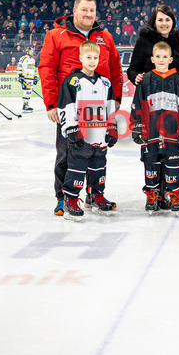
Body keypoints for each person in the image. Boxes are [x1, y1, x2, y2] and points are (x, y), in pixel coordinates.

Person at [39, 0, 124, 217]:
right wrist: (51, 104)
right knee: (68, 152)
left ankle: (94, 194)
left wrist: (115, 101)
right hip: (70, 107)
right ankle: (64, 197)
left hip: (99, 107)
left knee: (97, 152)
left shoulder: (105, 37)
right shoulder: (56, 35)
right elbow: (47, 68)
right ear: (74, 11)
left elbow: (115, 68)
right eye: (84, 10)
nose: (88, 14)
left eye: (92, 11)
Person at [57, 41, 118, 221]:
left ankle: (95, 195)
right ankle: (71, 198)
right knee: (77, 167)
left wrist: (111, 128)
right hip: (81, 134)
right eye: (88, 57)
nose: (92, 61)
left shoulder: (105, 83)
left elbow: (110, 107)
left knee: (99, 167)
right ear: (80, 58)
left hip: (99, 134)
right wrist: (71, 129)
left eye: (95, 57)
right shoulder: (73, 81)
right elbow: (66, 106)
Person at [131, 41, 179, 213]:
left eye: (165, 57)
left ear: (171, 59)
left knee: (174, 164)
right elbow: (138, 105)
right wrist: (138, 126)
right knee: (151, 163)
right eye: (158, 56)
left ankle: (173, 193)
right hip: (151, 131)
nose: (161, 60)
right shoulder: (146, 80)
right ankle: (153, 194)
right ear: (152, 59)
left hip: (173, 132)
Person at [127, 4, 179, 86]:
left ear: (173, 22)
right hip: (150, 92)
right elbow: (132, 70)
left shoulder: (177, 41)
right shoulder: (144, 40)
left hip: (174, 92)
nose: (164, 23)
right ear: (154, 23)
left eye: (167, 20)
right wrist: (136, 77)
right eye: (160, 20)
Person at [18, 46, 38, 113]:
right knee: (26, 91)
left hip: (31, 78)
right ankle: (25, 105)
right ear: (27, 52)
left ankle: (27, 104)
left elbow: (33, 69)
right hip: (26, 78)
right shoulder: (24, 58)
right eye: (31, 51)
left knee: (29, 91)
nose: (32, 52)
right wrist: (20, 75)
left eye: (32, 51)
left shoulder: (32, 60)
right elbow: (20, 66)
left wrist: (34, 77)